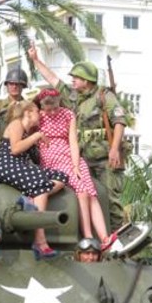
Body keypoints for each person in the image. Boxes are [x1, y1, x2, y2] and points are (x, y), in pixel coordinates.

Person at [28, 43, 129, 231]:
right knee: (86, 195)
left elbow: (120, 122)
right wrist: (35, 60)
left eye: (76, 77)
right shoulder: (72, 97)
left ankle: (118, 237)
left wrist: (115, 148)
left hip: (104, 158)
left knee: (111, 199)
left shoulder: (103, 96)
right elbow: (53, 79)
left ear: (87, 79)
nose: (72, 80)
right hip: (80, 158)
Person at [35, 88, 116, 251]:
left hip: (70, 155)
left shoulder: (67, 115)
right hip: (51, 155)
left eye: (55, 108)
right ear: (42, 107)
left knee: (91, 193)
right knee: (82, 191)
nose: (51, 113)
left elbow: (72, 141)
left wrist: (76, 165)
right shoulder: (39, 116)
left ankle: (104, 237)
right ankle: (87, 235)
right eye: (47, 109)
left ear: (59, 103)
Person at [0, 100, 67, 260]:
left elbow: (34, 159)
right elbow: (16, 149)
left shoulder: (28, 131)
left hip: (21, 165)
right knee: (40, 184)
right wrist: (36, 136)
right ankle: (40, 241)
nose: (40, 115)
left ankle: (30, 199)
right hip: (7, 164)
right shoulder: (16, 124)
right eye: (37, 111)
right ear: (28, 112)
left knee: (60, 177)